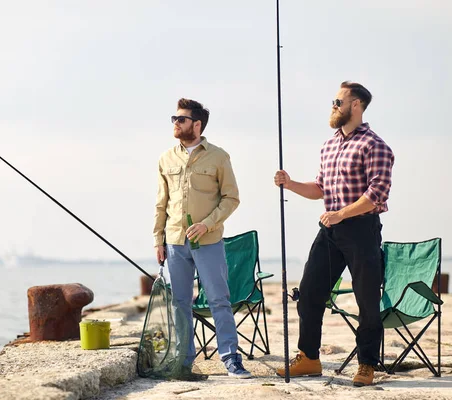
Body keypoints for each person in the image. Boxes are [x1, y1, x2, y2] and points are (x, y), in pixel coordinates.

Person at [274, 81, 395, 387]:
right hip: (330, 231)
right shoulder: (329, 145)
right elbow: (320, 189)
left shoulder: (375, 145)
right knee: (309, 293)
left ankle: (367, 364)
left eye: (338, 101)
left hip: (361, 231)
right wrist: (290, 184)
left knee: (367, 300)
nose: (333, 105)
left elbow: (377, 194)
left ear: (356, 105)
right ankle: (310, 358)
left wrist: (341, 213)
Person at [153, 98, 251, 379]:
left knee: (219, 300)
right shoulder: (165, 159)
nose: (175, 123)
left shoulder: (219, 157)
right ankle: (183, 361)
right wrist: (158, 240)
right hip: (174, 243)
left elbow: (232, 198)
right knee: (179, 302)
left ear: (196, 125)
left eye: (181, 119)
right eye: (174, 118)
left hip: (208, 242)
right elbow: (161, 204)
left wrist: (207, 225)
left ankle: (231, 358)